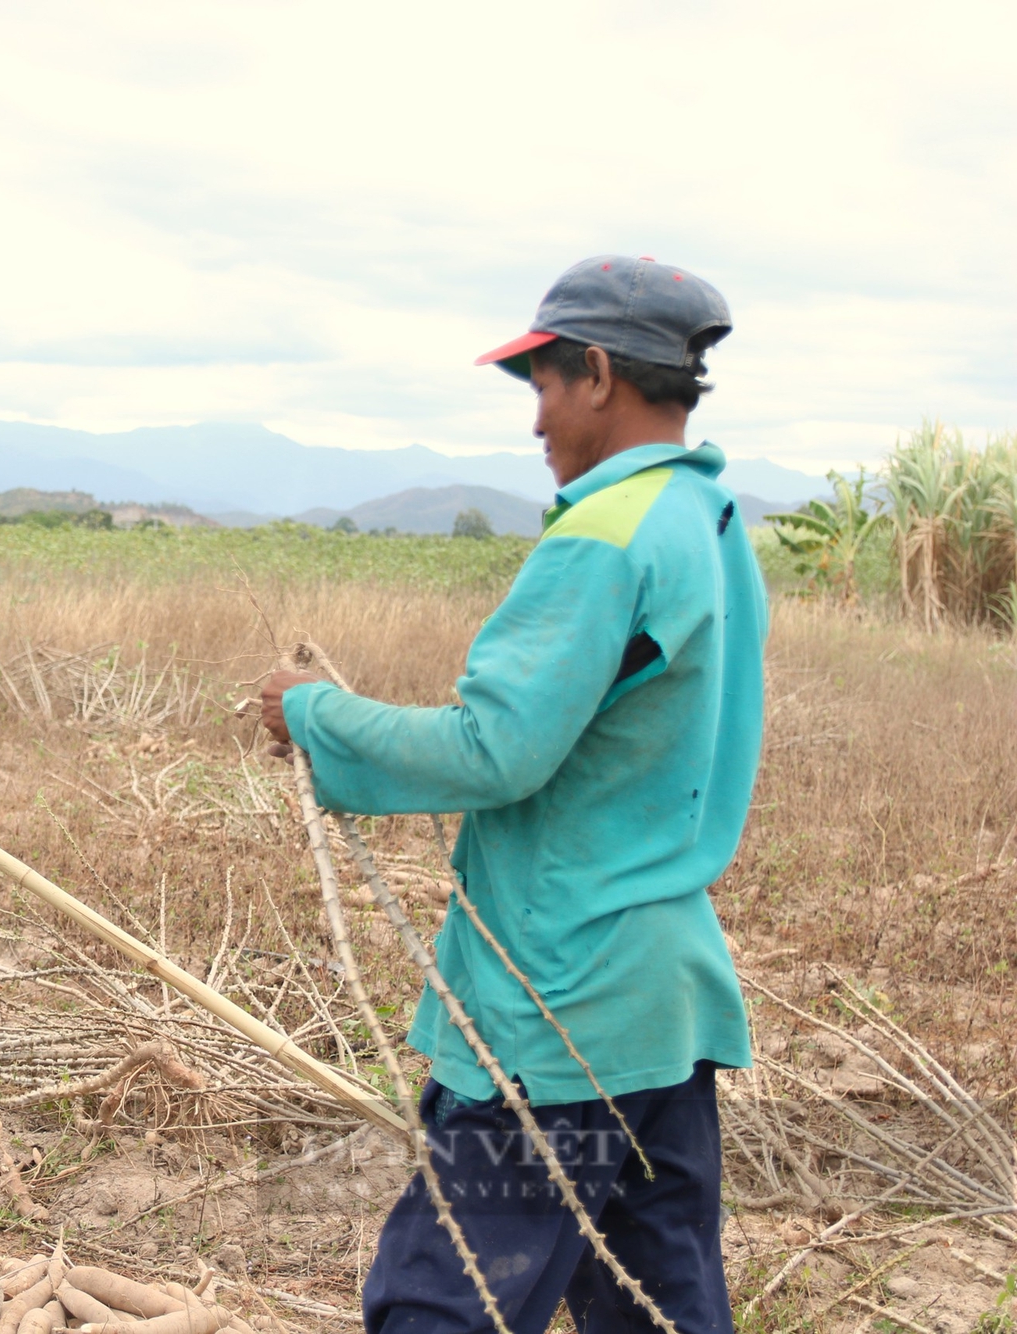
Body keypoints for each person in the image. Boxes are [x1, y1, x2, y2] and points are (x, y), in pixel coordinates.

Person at [262, 256, 764, 1333]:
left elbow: (497, 750)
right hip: (658, 1000)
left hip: (557, 1004)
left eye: (540, 382)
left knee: (441, 1298)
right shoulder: (710, 525)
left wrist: (310, 714)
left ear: (592, 372)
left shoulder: (601, 535)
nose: (535, 419)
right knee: (661, 1301)